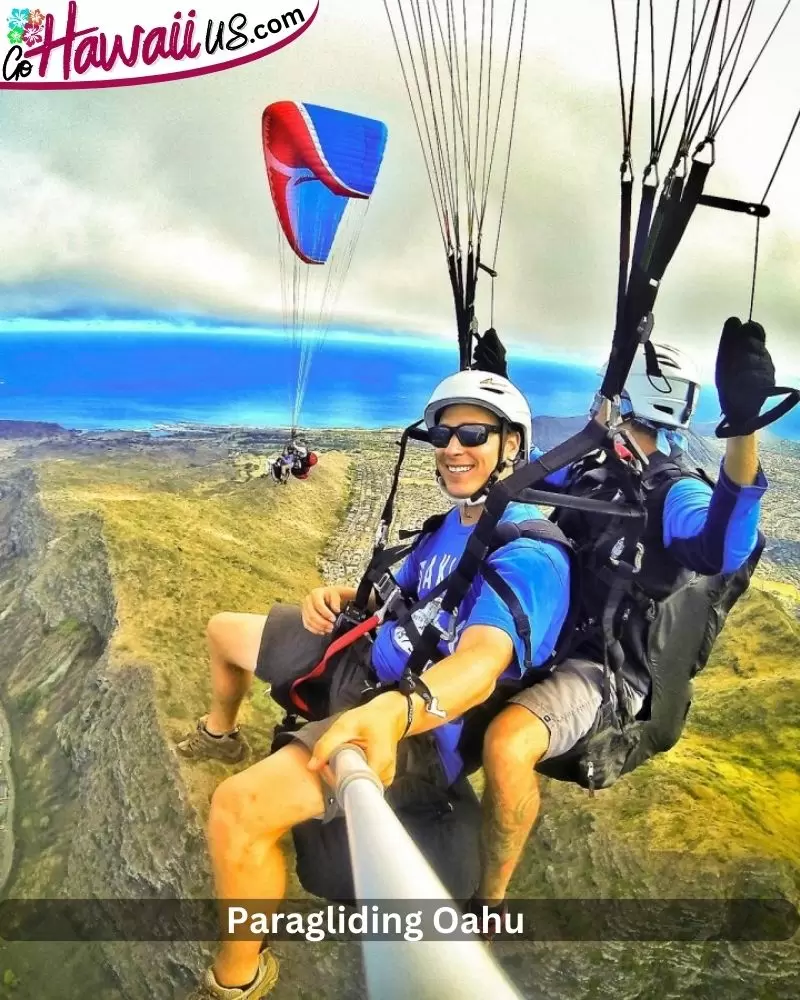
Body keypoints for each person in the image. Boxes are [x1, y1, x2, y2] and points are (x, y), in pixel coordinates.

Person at [177, 370, 573, 1000]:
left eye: (474, 432)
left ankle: (238, 978)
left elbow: (482, 661)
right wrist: (340, 596)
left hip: (412, 728)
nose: (452, 446)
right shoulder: (452, 526)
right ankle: (220, 732)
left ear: (513, 446)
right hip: (366, 659)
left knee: (239, 809)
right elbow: (401, 598)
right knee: (224, 632)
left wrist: (397, 711)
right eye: (442, 432)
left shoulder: (530, 551)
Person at [475, 319, 772, 913]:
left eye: (607, 394)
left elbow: (722, 545)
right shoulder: (595, 465)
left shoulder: (672, 490)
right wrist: (493, 390)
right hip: (551, 634)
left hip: (604, 671)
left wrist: (743, 432)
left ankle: (488, 904)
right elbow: (520, 469)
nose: (597, 403)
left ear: (628, 397)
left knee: (507, 745)